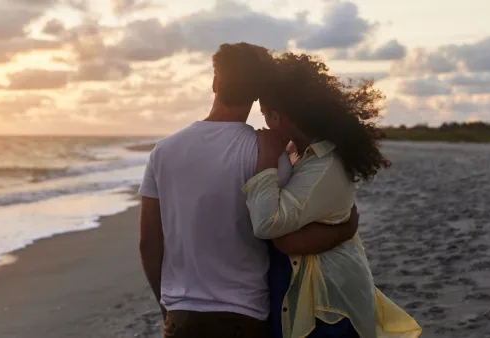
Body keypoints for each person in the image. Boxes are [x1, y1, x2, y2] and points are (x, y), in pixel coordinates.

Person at [138, 43, 359, 338]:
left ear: (215, 82)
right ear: (256, 95)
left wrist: (166, 306)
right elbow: (288, 236)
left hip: (181, 315)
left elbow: (148, 242)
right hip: (245, 315)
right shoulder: (266, 152)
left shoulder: (163, 151)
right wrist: (344, 229)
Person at [246, 52, 423, 337]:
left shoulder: (324, 162)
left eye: (265, 114)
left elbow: (268, 225)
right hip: (312, 294)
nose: (265, 122)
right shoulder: (301, 154)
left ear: (275, 115)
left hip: (326, 303)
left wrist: (266, 158)